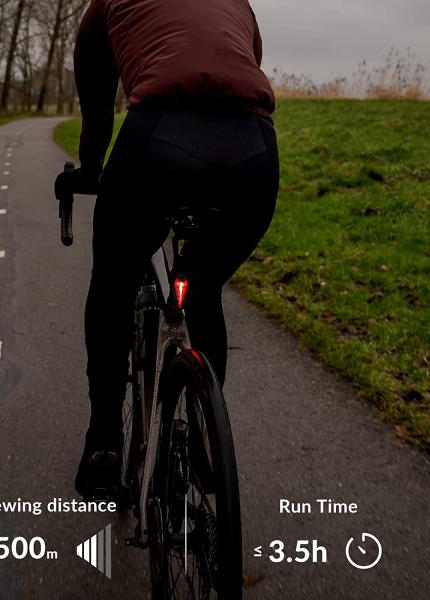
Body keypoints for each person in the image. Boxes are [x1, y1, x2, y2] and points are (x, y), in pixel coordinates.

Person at [71, 0, 279, 499]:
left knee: (113, 283)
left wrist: (91, 168)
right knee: (201, 287)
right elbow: (241, 65)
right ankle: (206, 443)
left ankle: (105, 438)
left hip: (157, 141)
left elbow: (97, 104)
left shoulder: (107, 5)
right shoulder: (238, 3)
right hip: (253, 153)